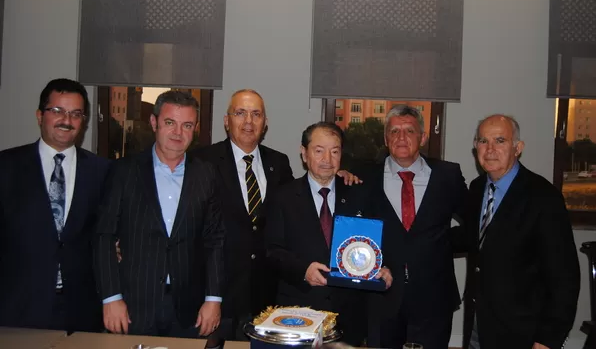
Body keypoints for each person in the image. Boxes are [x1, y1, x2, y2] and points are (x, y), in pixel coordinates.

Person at [192, 89, 360, 347]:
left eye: (256, 114)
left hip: (267, 294)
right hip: (218, 293)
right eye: (240, 113)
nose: (249, 121)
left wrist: (338, 174)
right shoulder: (202, 161)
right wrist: (210, 296)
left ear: (265, 123)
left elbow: (300, 207)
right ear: (227, 121)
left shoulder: (278, 163)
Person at [94, 90, 225, 338]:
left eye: (187, 125)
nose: (178, 132)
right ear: (154, 122)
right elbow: (104, 236)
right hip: (132, 306)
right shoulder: (124, 171)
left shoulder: (206, 174)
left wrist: (213, 299)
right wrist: (111, 297)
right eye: (170, 123)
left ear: (195, 129)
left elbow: (215, 240)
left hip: (190, 309)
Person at [454, 114, 580, 349]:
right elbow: (474, 238)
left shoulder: (543, 196)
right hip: (478, 324)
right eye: (483, 141)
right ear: (475, 147)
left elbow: (565, 277)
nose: (490, 149)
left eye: (500, 140)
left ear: (518, 148)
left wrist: (548, 338)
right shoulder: (477, 188)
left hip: (522, 332)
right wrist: (419, 236)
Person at [265, 122, 392, 347]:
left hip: (349, 316)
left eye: (334, 151)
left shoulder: (359, 193)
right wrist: (303, 270)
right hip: (298, 311)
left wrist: (381, 267)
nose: (327, 159)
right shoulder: (283, 197)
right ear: (304, 153)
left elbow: (378, 243)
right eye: (319, 150)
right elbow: (272, 250)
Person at [0, 78, 110, 332]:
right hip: (17, 307)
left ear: (84, 121)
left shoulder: (103, 172)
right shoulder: (6, 167)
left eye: (76, 114)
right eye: (57, 110)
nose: (66, 120)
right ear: (40, 115)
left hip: (81, 311)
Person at [366, 104, 467, 349]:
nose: (401, 137)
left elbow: (474, 225)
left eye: (409, 131)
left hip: (434, 298)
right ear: (385, 139)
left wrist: (442, 243)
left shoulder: (448, 175)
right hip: (382, 298)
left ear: (423, 137)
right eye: (394, 131)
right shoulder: (364, 176)